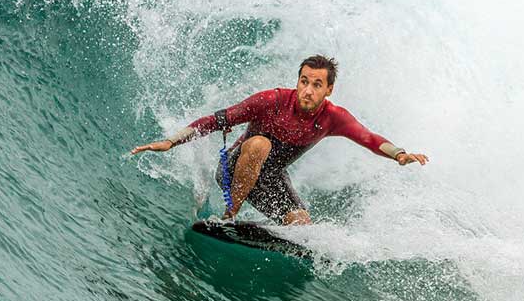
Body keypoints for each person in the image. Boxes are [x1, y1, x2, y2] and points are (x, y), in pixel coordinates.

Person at [131, 55, 428, 225]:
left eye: (317, 84)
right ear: (297, 80)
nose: (308, 90)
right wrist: (171, 141)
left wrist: (400, 154)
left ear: (329, 89)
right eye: (304, 81)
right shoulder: (271, 101)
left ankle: (250, 226)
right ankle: (228, 216)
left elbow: (369, 138)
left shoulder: (333, 118)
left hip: (269, 180)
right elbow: (218, 120)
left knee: (303, 227)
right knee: (261, 144)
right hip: (234, 171)